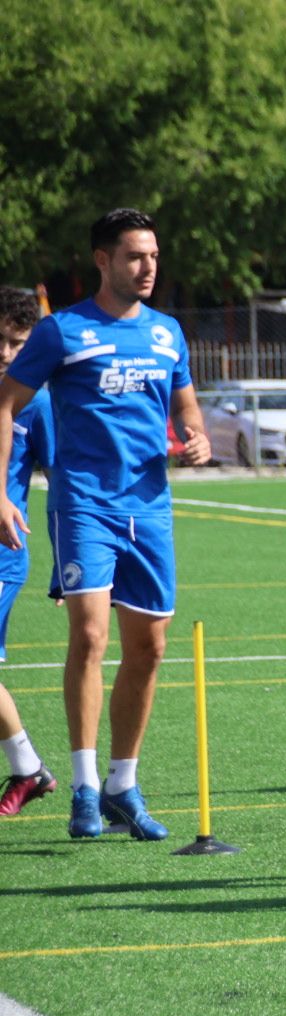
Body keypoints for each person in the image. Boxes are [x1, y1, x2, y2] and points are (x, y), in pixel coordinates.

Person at [0, 210, 211, 840]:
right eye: (133, 257)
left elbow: (186, 401)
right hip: (83, 504)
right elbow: (5, 401)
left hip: (149, 507)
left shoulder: (168, 333)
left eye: (152, 256)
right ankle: (84, 787)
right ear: (102, 260)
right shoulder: (61, 332)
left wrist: (194, 434)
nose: (147, 268)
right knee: (90, 636)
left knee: (150, 648)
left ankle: (123, 783)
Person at [0, 287, 57, 815]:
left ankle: (29, 768)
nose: (4, 352)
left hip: (3, 554)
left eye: (16, 342)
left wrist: (66, 562)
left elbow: (60, 481)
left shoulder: (38, 403)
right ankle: (28, 769)